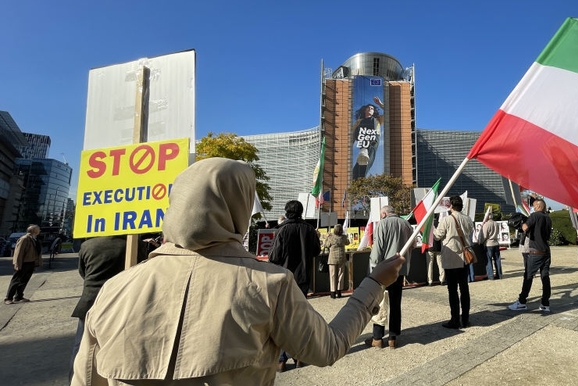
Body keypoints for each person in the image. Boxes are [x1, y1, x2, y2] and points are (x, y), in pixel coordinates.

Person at [71, 157, 404, 386]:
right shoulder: (268, 285)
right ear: (240, 207)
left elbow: (85, 378)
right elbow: (328, 347)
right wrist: (374, 283)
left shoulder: (114, 289)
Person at [268, 199, 322, 370]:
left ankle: (281, 359)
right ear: (301, 211)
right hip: (303, 278)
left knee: (283, 319)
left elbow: (274, 257)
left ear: (287, 211)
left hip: (284, 278)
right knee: (300, 317)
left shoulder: (282, 230)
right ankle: (299, 356)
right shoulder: (309, 229)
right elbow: (316, 251)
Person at [68, 236, 127, 382]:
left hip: (90, 300)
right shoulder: (131, 244)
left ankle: (74, 379)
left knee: (82, 346)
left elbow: (83, 272)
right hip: (119, 300)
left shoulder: (88, 245)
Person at [365, 205, 413, 348]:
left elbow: (378, 248)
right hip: (400, 269)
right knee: (396, 303)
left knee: (380, 303)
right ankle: (393, 336)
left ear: (384, 214)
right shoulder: (407, 225)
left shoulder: (383, 224)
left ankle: (377, 337)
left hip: (384, 270)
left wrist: (373, 268)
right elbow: (412, 245)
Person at [434, 195, 474, 329]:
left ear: (451, 206)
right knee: (464, 288)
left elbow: (437, 236)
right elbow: (470, 232)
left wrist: (430, 227)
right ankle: (466, 318)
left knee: (452, 290)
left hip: (451, 257)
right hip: (464, 256)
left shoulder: (446, 220)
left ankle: (455, 319)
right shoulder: (467, 219)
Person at [508, 198, 552, 313]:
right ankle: (545, 303)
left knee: (528, 276)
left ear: (538, 206)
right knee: (545, 277)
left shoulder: (534, 215)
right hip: (546, 251)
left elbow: (525, 227)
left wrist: (522, 224)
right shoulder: (548, 218)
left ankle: (522, 302)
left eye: (533, 206)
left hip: (535, 251)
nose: (533, 208)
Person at [5, 224, 42, 305]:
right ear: (33, 231)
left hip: (31, 263)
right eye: (38, 229)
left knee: (24, 280)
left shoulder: (34, 239)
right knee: (16, 280)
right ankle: (8, 298)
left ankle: (19, 296)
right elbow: (19, 252)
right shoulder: (24, 239)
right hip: (23, 263)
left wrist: (37, 263)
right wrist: (17, 264)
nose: (40, 230)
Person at [351, 96, 384, 179]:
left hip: (373, 140)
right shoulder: (359, 122)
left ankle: (365, 151)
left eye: (372, 108)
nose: (370, 109)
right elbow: (352, 135)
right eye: (368, 108)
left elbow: (389, 111)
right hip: (362, 140)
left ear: (374, 111)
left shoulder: (378, 119)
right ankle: (355, 179)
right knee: (356, 172)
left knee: (366, 161)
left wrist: (380, 104)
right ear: (365, 110)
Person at [324, 224, 349, 299]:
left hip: (332, 258)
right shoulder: (343, 237)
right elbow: (348, 242)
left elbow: (326, 245)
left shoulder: (331, 237)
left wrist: (327, 237)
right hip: (341, 257)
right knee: (340, 274)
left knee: (333, 275)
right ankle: (339, 291)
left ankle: (333, 292)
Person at [427, 216, 446, 286]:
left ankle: (430, 281)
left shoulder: (428, 225)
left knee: (430, 264)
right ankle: (442, 280)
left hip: (430, 246)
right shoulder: (439, 224)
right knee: (440, 264)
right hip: (438, 246)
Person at [483, 212, 502, 280]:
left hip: (488, 243)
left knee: (488, 260)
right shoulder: (496, 223)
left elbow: (484, 236)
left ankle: (490, 275)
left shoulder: (486, 224)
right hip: (496, 242)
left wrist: (481, 241)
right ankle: (499, 274)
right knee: (497, 259)